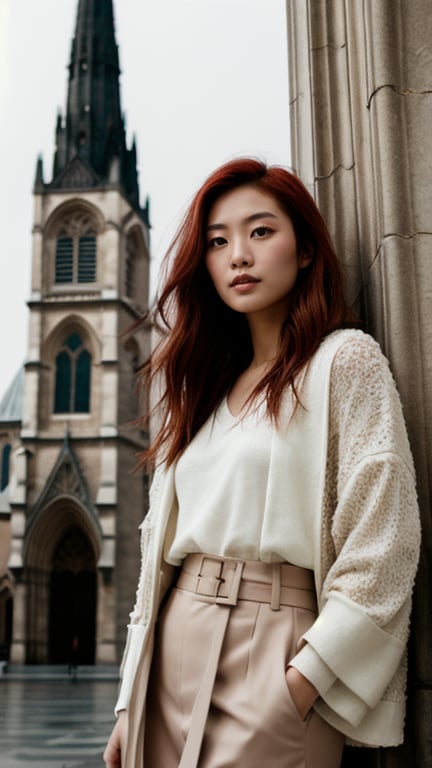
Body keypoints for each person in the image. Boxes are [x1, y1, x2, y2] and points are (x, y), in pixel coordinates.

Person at [103, 158, 420, 768]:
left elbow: (386, 541)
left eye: (260, 231)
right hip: (172, 647)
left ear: (304, 249)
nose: (237, 256)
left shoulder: (344, 362)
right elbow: (154, 558)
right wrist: (127, 699)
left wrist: (302, 684)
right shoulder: (201, 389)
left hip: (276, 650)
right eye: (218, 242)